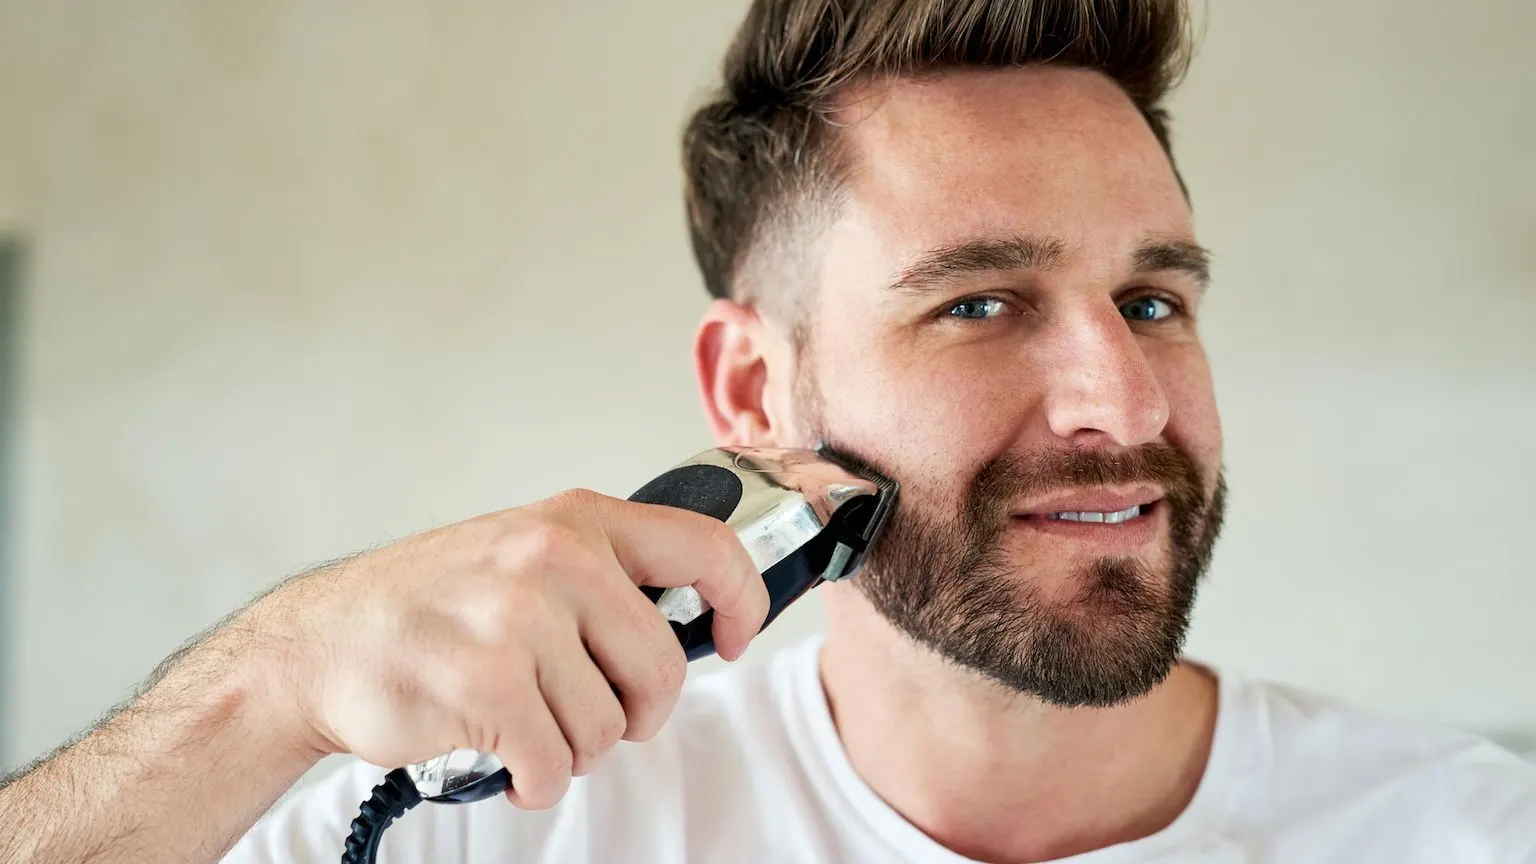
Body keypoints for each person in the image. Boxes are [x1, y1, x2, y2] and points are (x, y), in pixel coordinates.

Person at [3, 0, 1534, 861]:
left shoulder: (1469, 831)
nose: (1122, 408)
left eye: (1151, 302)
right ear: (752, 395)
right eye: (981, 303)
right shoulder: (511, 823)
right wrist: (265, 685)